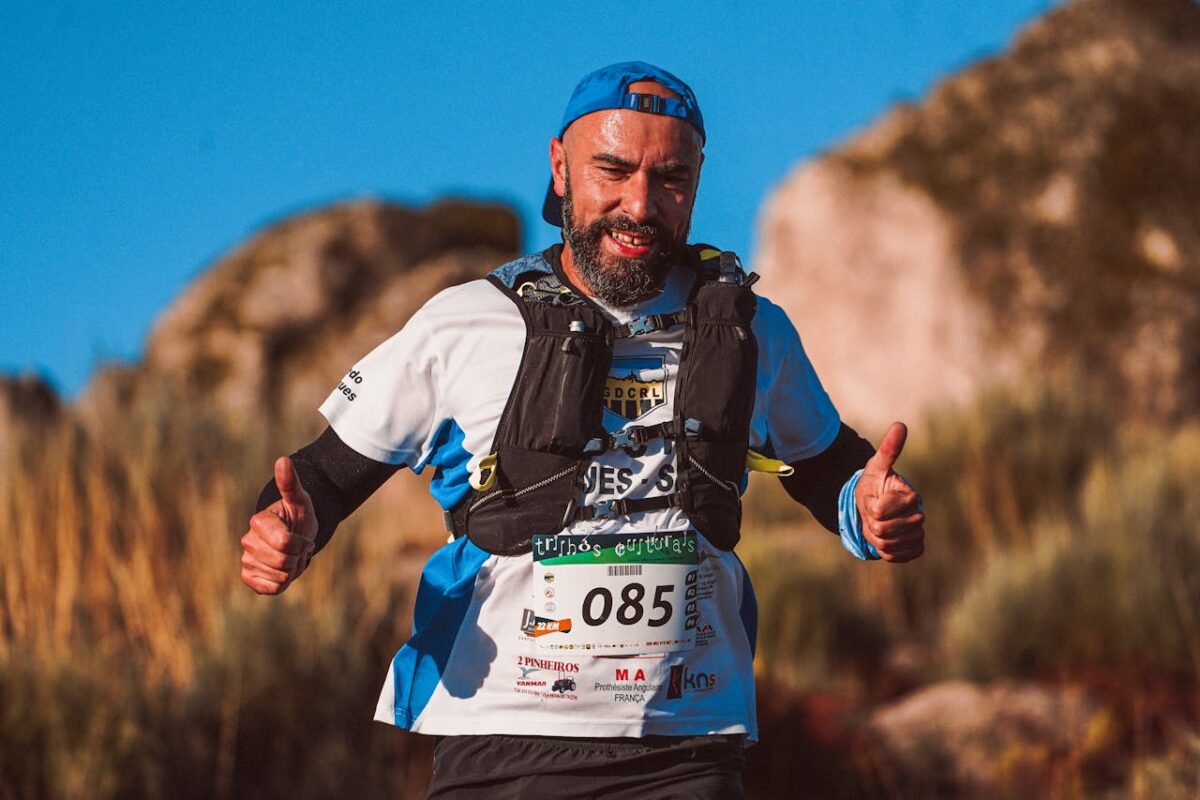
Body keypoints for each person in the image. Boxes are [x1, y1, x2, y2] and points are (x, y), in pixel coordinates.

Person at [239, 62, 925, 799]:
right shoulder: (462, 324)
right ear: (560, 167)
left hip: (689, 745)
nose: (641, 204)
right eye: (614, 170)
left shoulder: (754, 330)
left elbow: (831, 471)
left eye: (671, 179)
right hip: (500, 742)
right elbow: (323, 478)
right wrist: (286, 528)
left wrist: (874, 511)